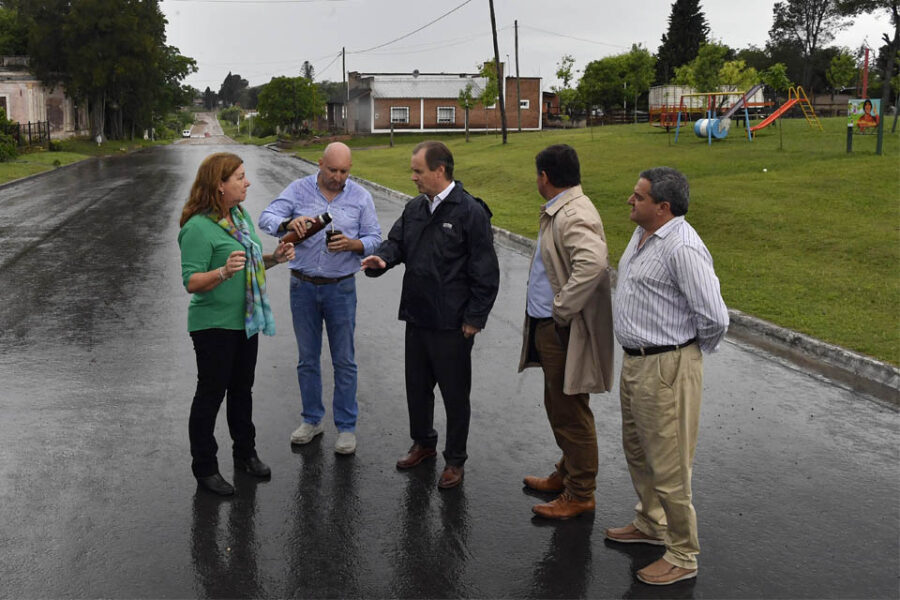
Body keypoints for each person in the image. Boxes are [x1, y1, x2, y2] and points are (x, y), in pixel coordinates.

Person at [606, 167, 728, 586]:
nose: (630, 200)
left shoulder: (682, 247)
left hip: (668, 365)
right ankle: (651, 522)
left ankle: (683, 553)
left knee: (671, 465)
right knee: (639, 450)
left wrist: (685, 357)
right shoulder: (644, 235)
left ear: (663, 207)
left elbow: (714, 316)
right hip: (637, 361)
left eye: (638, 197)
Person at [361, 141, 499, 489]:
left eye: (418, 171)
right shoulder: (415, 209)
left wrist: (474, 318)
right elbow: (397, 244)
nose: (413, 178)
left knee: (455, 395)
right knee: (417, 389)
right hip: (417, 316)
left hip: (452, 324)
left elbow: (486, 273)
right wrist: (382, 259)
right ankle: (423, 443)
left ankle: (455, 460)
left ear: (440, 171)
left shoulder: (470, 212)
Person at [178, 152, 295, 496]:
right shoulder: (197, 228)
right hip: (213, 326)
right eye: (240, 177)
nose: (247, 183)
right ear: (219, 185)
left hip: (246, 322)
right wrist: (222, 272)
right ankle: (205, 468)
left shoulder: (240, 217)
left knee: (242, 392)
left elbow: (251, 264)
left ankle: (245, 454)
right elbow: (192, 282)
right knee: (210, 395)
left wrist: (275, 256)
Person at [258, 142, 381, 455]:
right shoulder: (299, 191)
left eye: (344, 171)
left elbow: (375, 238)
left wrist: (353, 244)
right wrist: (287, 223)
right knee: (307, 359)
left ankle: (346, 428)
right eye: (333, 170)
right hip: (303, 286)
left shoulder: (360, 197)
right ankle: (312, 420)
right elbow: (267, 217)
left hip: (340, 287)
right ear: (319, 164)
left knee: (344, 360)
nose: (339, 177)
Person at [517, 144, 614, 519]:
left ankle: (580, 492)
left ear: (545, 177)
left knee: (570, 412)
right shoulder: (563, 209)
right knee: (559, 405)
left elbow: (593, 263)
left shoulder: (572, 213)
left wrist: (561, 309)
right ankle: (568, 472)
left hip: (562, 328)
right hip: (552, 327)